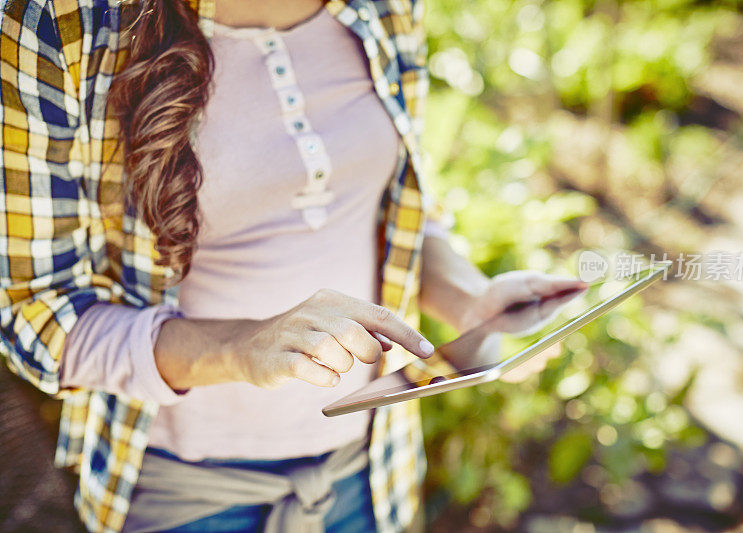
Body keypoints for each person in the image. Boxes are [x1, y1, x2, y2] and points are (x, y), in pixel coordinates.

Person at [0, 0, 584, 531]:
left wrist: (469, 302)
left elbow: (395, 205)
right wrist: (243, 345)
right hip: (180, 493)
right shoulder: (57, 23)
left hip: (370, 474)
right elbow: (37, 316)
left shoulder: (386, 8)